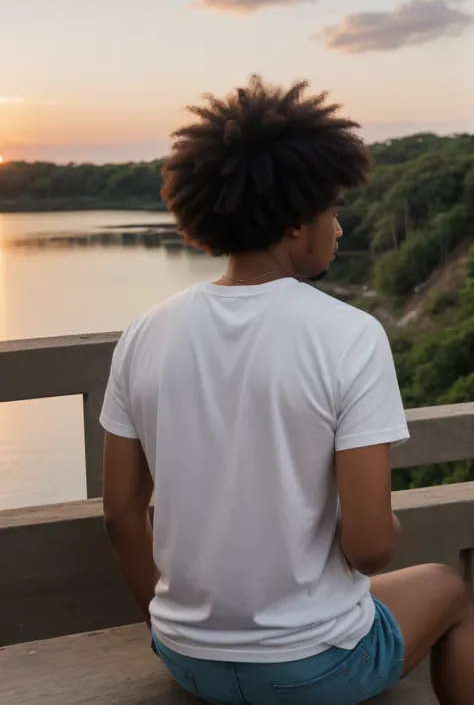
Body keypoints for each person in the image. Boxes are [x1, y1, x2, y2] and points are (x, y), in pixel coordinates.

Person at [100, 76, 474, 705]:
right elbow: (372, 547)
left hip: (187, 657)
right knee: (449, 587)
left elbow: (119, 516)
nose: (339, 229)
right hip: (314, 670)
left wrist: (171, 628)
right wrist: (386, 524)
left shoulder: (144, 332)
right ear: (299, 221)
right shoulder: (349, 335)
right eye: (333, 211)